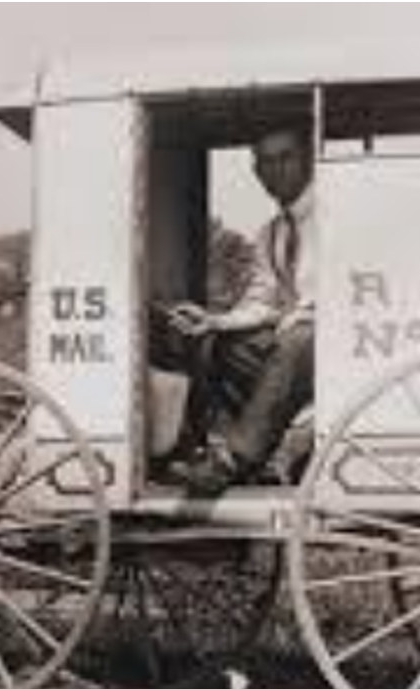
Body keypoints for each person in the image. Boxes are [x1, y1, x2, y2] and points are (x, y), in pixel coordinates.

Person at [157, 125, 317, 497]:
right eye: (265, 163)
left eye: (286, 158)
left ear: (308, 160)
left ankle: (234, 461)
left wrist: (303, 316)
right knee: (225, 345)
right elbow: (262, 300)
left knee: (297, 338)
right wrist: (214, 321)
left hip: (342, 344)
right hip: (297, 350)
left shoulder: (338, 216)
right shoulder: (272, 234)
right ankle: (247, 453)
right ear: (256, 172)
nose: (276, 170)